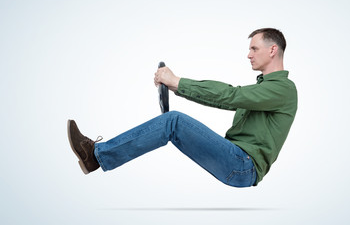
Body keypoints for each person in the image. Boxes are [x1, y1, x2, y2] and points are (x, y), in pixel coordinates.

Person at [67, 28, 297, 187]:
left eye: (254, 49)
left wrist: (177, 81)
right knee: (173, 123)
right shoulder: (262, 90)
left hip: (243, 167)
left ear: (272, 50)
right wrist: (178, 88)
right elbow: (223, 99)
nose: (248, 55)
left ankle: (97, 156)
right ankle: (98, 156)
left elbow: (231, 95)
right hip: (236, 161)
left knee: (173, 121)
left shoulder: (283, 89)